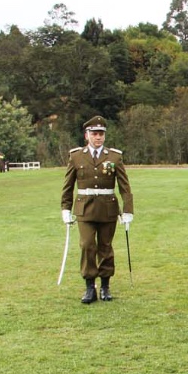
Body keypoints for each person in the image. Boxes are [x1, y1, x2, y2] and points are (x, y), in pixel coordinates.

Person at [61, 116, 134, 304]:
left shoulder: (114, 157)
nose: (98, 137)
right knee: (87, 245)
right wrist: (65, 209)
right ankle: (89, 287)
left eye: (101, 134)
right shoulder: (76, 156)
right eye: (94, 134)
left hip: (108, 209)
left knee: (105, 247)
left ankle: (105, 286)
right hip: (84, 208)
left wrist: (127, 211)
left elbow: (124, 186)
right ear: (87, 136)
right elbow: (68, 185)